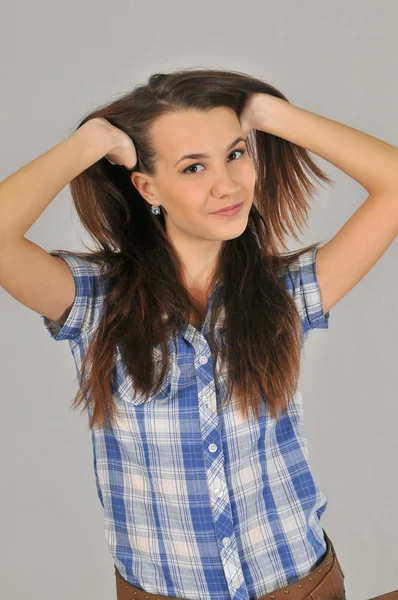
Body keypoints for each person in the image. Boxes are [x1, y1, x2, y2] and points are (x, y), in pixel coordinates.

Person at [1, 68, 397, 600]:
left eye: (235, 154)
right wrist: (91, 140)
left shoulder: (284, 292)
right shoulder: (97, 300)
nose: (226, 185)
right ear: (147, 186)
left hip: (301, 586)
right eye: (193, 166)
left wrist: (267, 113)